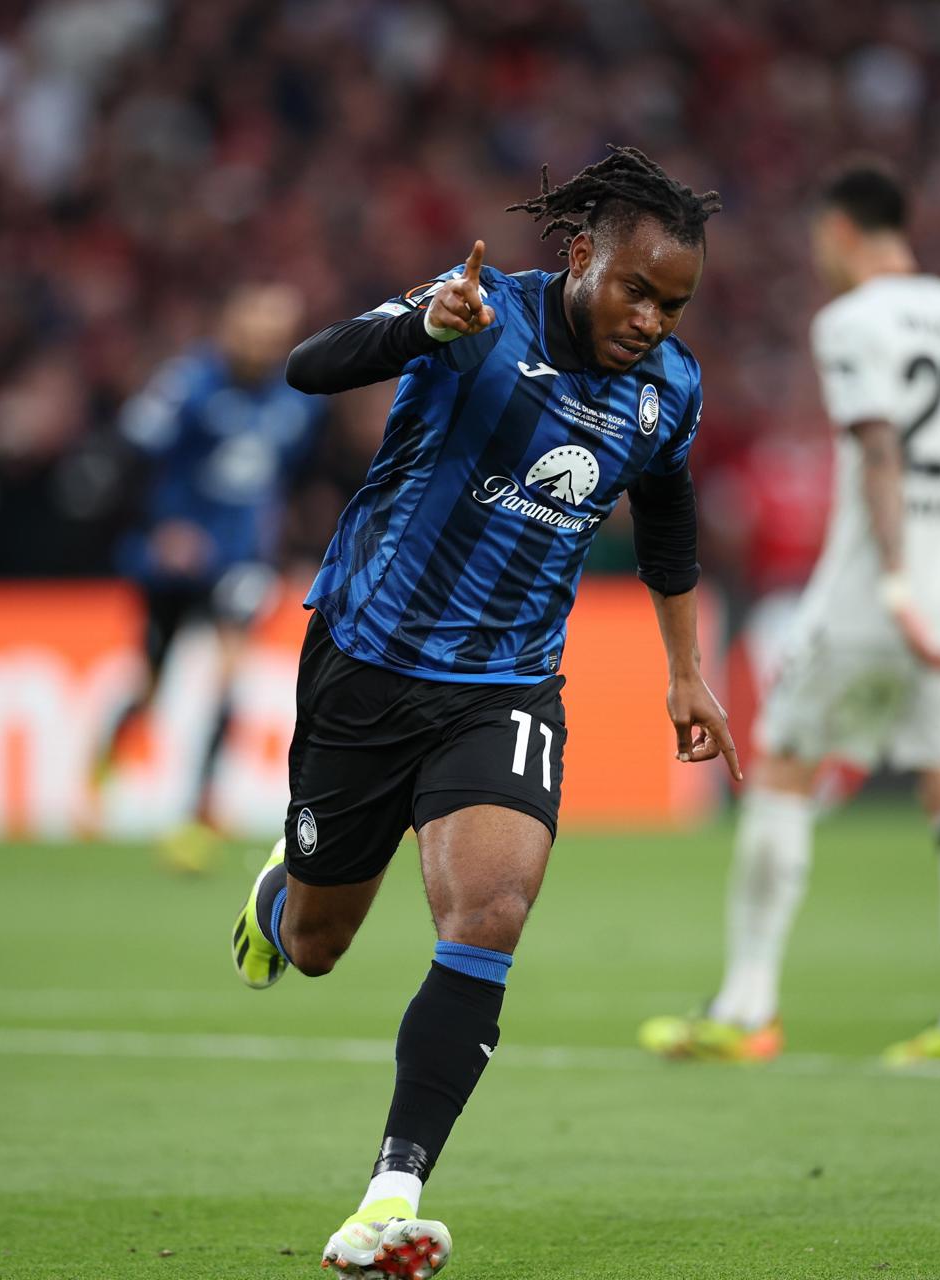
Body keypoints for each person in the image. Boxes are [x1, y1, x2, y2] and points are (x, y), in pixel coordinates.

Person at [230, 146, 739, 1277]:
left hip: (506, 682)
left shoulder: (670, 391)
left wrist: (685, 668)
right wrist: (420, 328)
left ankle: (388, 1195)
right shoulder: (477, 314)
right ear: (580, 256)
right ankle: (281, 896)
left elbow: (665, 519)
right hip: (367, 660)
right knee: (319, 946)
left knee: (492, 911)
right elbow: (312, 367)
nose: (653, 319)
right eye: (637, 290)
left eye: (674, 303)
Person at [640, 163, 940, 1069]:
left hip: (872, 590)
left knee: (783, 765)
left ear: (845, 234)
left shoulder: (853, 321)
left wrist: (896, 572)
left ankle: (747, 1007)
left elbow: (880, 444)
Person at [95, 284, 323, 870]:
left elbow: (295, 478)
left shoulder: (298, 397)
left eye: (274, 331)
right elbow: (127, 457)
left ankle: (198, 813)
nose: (262, 341)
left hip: (239, 557)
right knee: (154, 679)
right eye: (253, 327)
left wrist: (292, 542)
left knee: (228, 676)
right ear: (229, 325)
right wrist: (160, 528)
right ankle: (109, 748)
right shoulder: (187, 383)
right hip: (173, 556)